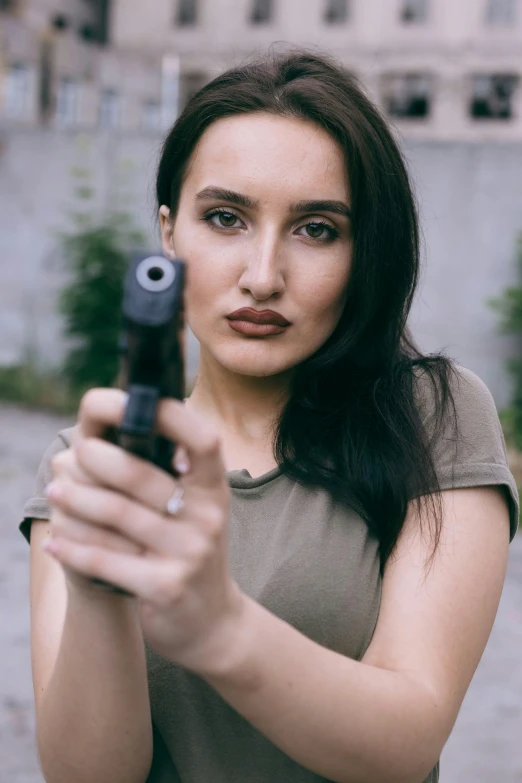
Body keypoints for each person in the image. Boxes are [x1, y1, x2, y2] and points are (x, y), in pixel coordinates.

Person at [20, 49, 519, 783]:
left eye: (317, 229)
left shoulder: (433, 417)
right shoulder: (86, 464)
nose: (262, 275)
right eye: (225, 218)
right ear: (169, 233)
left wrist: (219, 625)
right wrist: (101, 587)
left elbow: (405, 739)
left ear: (364, 252)